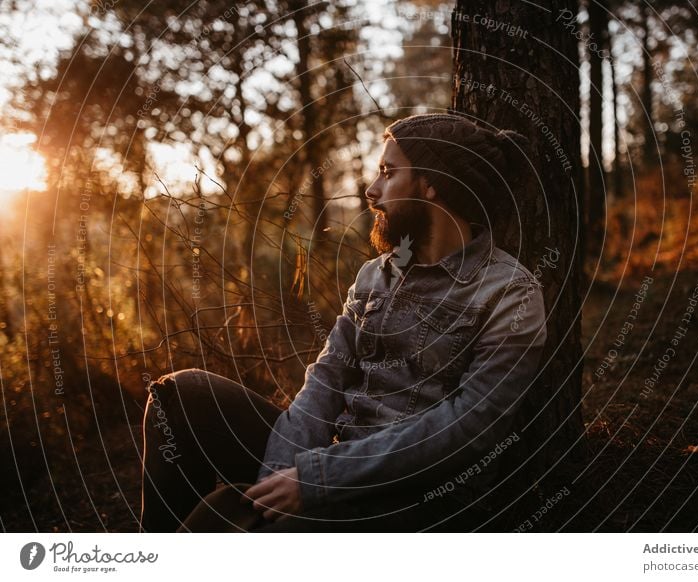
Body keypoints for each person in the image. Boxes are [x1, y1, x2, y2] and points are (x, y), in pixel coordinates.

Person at [139, 112, 548, 532]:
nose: (372, 190)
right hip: (335, 459)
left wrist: (319, 480)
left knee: (222, 516)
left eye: (388, 173)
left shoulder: (510, 294)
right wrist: (278, 478)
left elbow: (470, 429)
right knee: (180, 396)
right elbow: (326, 380)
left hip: (420, 499)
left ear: (432, 186)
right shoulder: (376, 275)